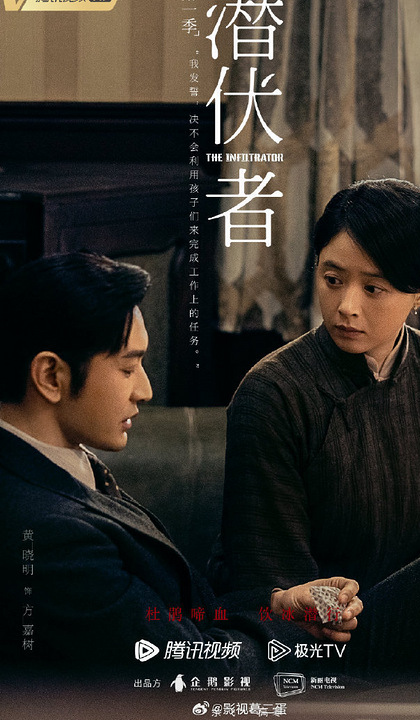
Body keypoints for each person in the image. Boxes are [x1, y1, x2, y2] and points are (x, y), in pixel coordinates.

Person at [0, 251, 361, 679]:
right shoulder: (48, 534)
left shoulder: (56, 466)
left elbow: (176, 616)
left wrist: (277, 606)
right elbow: (186, 669)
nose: (145, 389)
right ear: (50, 376)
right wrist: (294, 634)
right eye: (127, 368)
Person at [213, 178, 420, 681]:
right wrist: (324, 606)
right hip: (316, 643)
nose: (346, 306)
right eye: (332, 279)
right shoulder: (273, 392)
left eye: (373, 288)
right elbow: (265, 573)